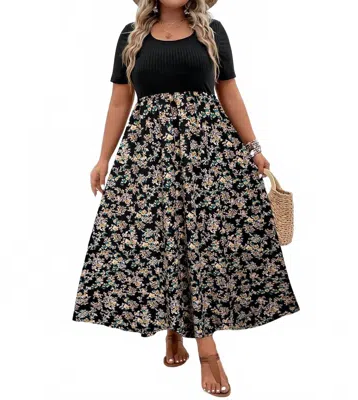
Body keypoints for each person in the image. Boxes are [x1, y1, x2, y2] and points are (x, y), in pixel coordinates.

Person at [72, 0, 300, 396]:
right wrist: (103, 158)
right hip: (148, 158)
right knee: (160, 243)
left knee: (201, 246)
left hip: (207, 155)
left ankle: (207, 351)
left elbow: (228, 91)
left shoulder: (213, 31)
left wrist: (254, 148)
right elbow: (120, 100)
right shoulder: (131, 35)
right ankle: (174, 329)